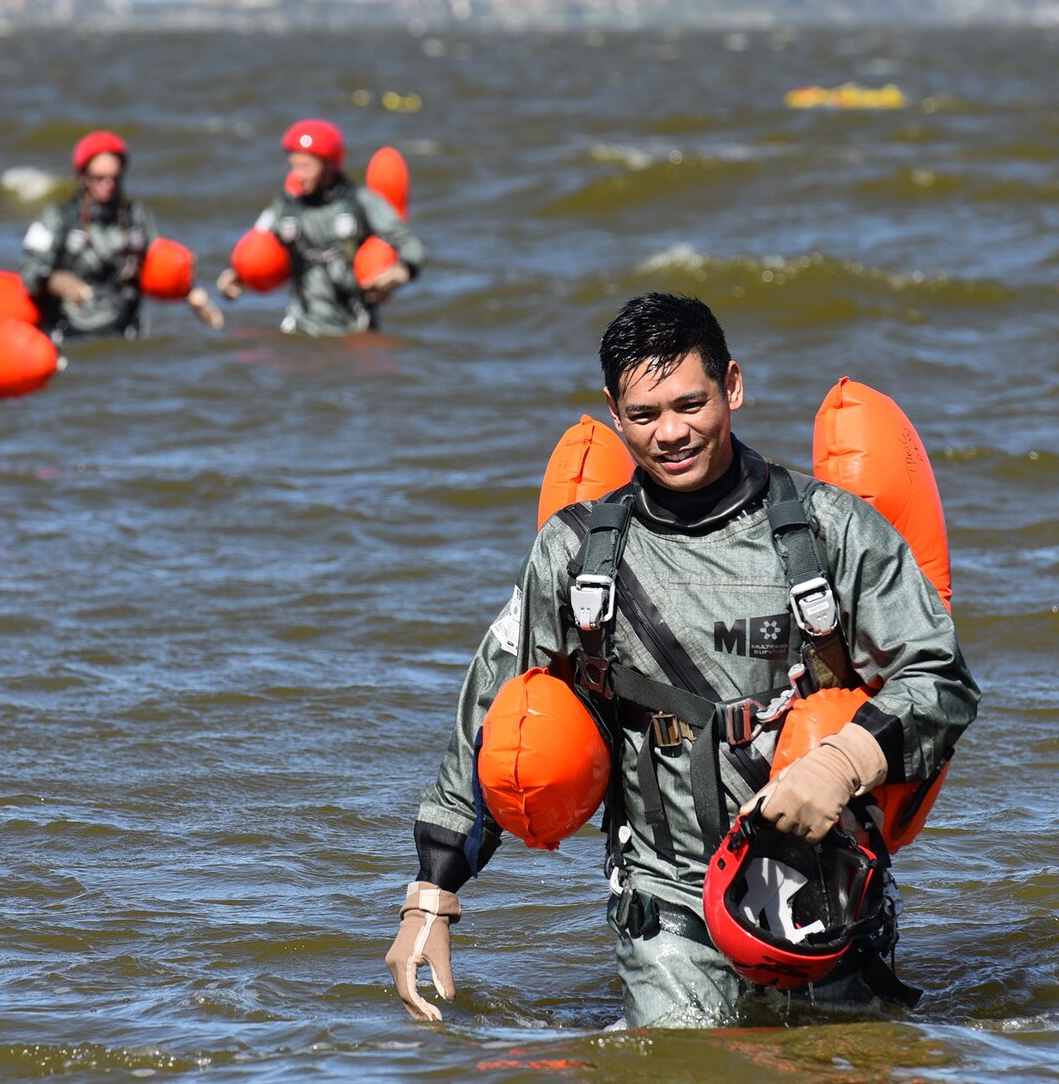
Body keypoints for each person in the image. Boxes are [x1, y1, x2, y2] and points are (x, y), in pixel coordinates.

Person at [385, 293, 979, 1028]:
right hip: (662, 901)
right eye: (643, 415)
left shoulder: (831, 533)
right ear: (612, 410)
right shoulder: (577, 555)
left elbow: (942, 678)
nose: (671, 432)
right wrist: (432, 894)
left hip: (823, 886)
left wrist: (843, 763)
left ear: (732, 385)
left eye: (689, 404)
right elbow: (492, 717)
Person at [213, 119, 424, 335]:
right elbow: (259, 250)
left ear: (329, 165)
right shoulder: (285, 207)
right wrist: (237, 277)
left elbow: (411, 244)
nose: (298, 175)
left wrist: (401, 271)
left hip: (355, 327)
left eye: (306, 166)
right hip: (300, 326)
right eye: (294, 166)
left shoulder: (361, 203)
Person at [17, 130, 223, 338]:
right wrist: (56, 281)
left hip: (124, 331)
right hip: (69, 331)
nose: (108, 185)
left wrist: (191, 294)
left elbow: (160, 265)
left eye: (114, 178)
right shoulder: (58, 217)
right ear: (83, 177)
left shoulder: (137, 217)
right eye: (99, 178)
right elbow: (29, 270)